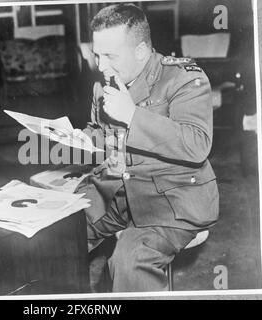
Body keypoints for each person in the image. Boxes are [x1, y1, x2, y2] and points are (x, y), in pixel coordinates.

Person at [75, 3, 219, 292]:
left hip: (171, 202)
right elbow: (101, 136)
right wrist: (77, 140)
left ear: (141, 51)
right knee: (54, 232)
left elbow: (197, 144)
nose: (101, 66)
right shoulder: (103, 86)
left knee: (128, 260)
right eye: (97, 55)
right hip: (116, 195)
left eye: (110, 57)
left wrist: (132, 116)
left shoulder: (184, 79)